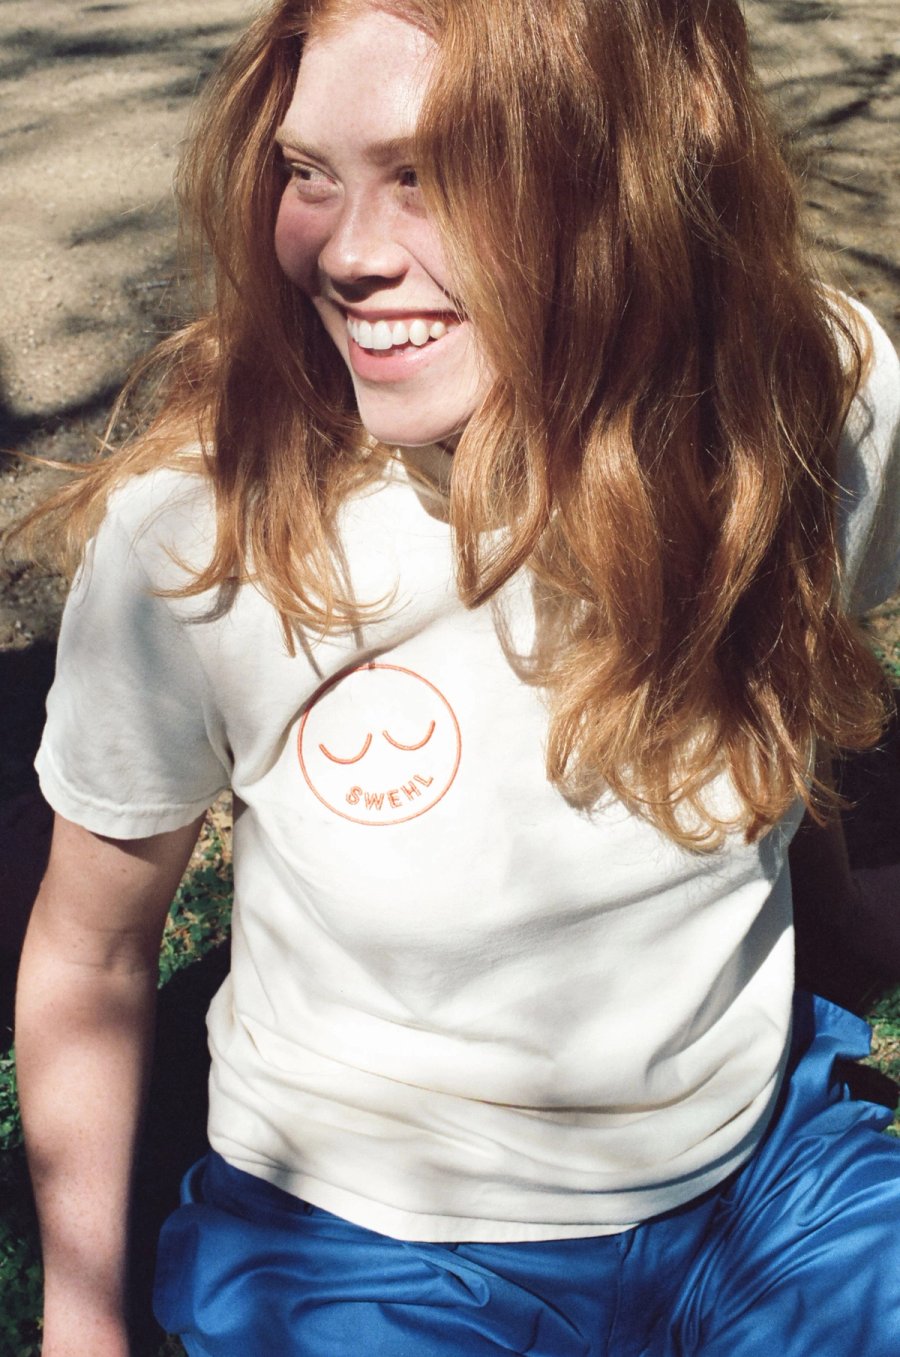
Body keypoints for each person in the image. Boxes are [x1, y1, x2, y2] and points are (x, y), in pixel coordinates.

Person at [12, 0, 900, 1353]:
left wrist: (834, 926)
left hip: (761, 1179)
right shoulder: (206, 536)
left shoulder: (809, 409)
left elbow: (775, 696)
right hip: (367, 1244)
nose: (348, 253)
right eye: (310, 173)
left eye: (436, 175)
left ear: (641, 171)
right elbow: (91, 946)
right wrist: (83, 1321)